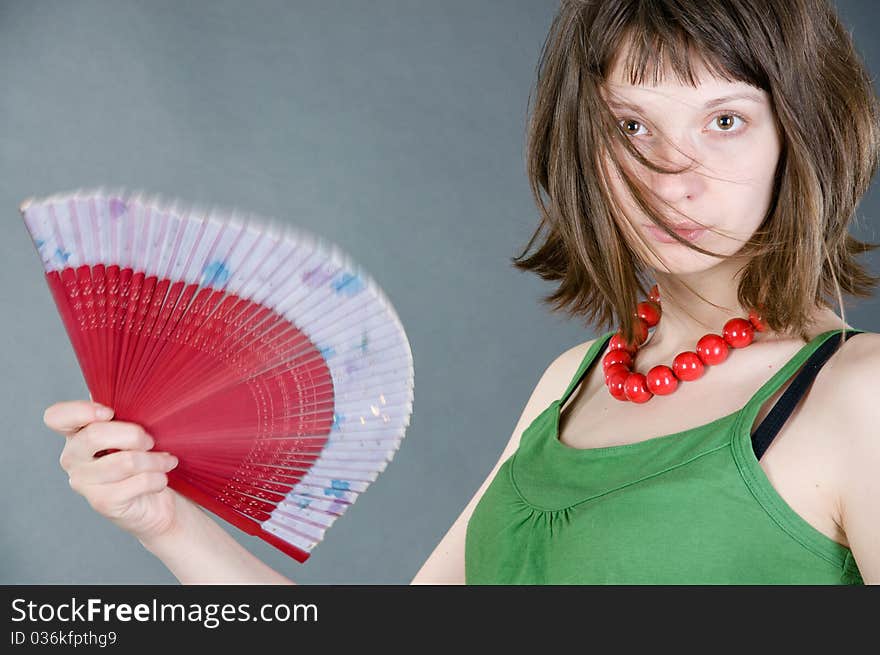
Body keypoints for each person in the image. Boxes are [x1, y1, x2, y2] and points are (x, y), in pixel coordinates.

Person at [43, 0, 880, 584]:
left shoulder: (858, 395)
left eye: (724, 121)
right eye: (632, 126)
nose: (673, 180)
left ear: (804, 131)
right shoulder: (571, 382)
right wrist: (165, 523)